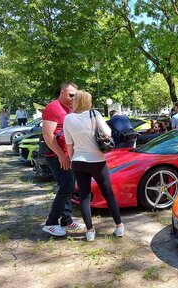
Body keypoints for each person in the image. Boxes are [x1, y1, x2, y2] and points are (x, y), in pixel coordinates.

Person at [63, 90, 124, 241]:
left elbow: (69, 144)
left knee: (84, 196)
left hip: (78, 161)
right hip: (96, 160)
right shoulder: (93, 114)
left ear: (76, 101)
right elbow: (108, 132)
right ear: (88, 101)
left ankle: (89, 231)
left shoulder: (68, 118)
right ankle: (119, 227)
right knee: (108, 194)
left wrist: (72, 161)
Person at [42, 82, 85, 237]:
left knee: (68, 187)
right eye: (70, 95)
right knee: (66, 187)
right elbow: (48, 135)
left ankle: (66, 220)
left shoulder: (70, 108)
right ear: (62, 92)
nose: (73, 98)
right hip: (56, 156)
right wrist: (61, 155)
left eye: (75, 95)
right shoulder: (53, 108)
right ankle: (51, 223)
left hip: (69, 155)